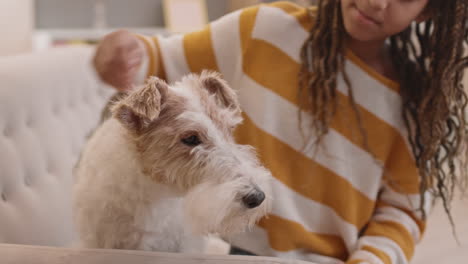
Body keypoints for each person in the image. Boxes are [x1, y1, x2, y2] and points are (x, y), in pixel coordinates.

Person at [92, 1, 468, 263]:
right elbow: (159, 59)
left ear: (431, 9)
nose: (376, 1)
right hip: (233, 250)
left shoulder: (415, 102)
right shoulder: (263, 30)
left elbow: (402, 212)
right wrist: (122, 52)